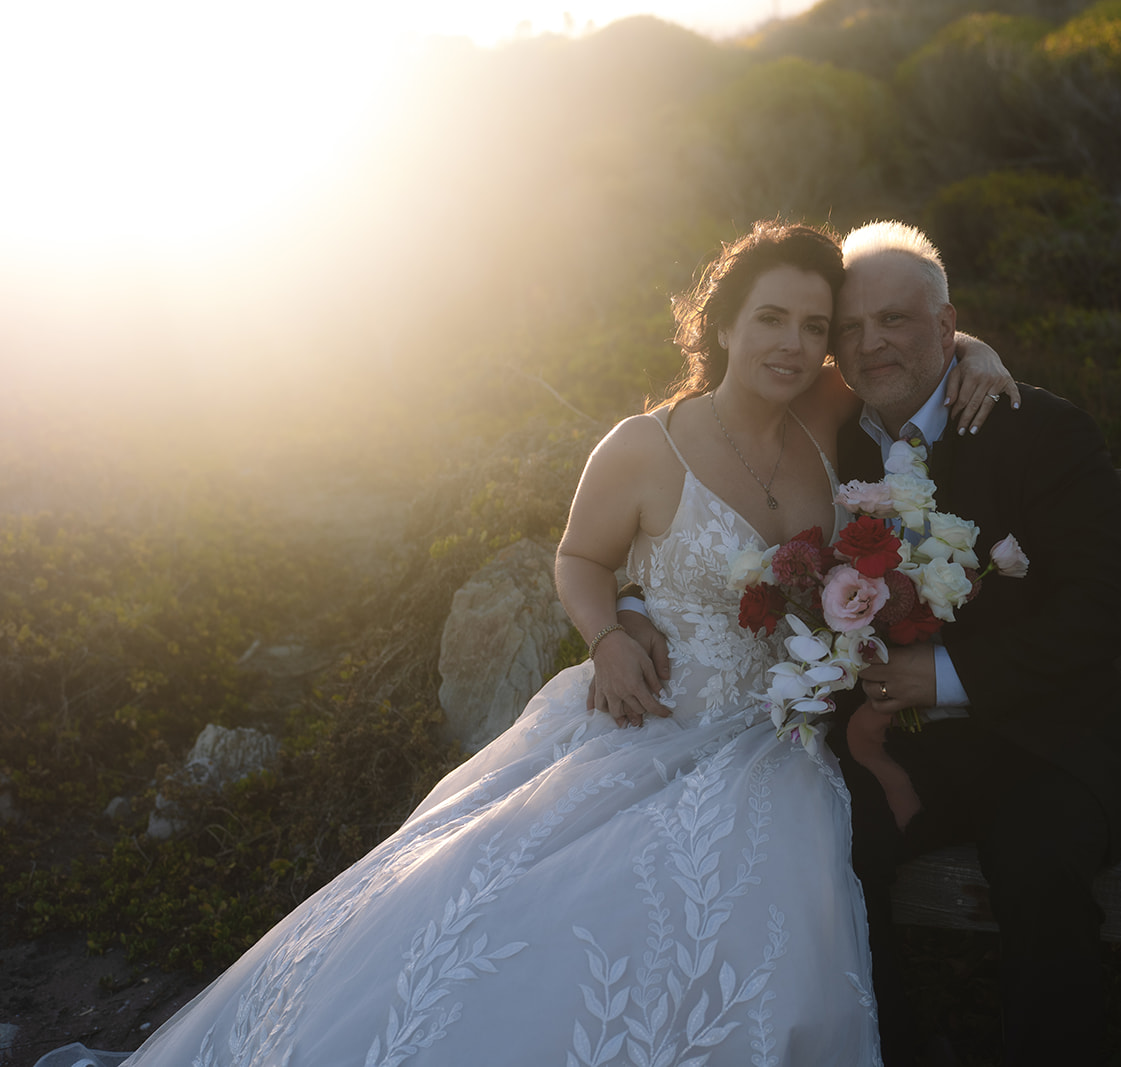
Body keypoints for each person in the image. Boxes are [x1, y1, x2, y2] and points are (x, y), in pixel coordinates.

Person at [32, 219, 1019, 1067]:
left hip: (777, 743)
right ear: (721, 322)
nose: (795, 345)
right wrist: (606, 633)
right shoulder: (645, 445)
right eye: (771, 319)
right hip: (650, 717)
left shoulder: (821, 419)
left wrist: (969, 346)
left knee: (748, 899)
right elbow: (581, 558)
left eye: (813, 327)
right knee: (510, 912)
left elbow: (902, 350)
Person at [828, 221, 1121, 1067]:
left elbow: (1112, 605)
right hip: (908, 758)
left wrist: (946, 674)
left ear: (945, 326)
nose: (872, 343)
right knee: (825, 850)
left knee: (1040, 870)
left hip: (1052, 741)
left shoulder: (1041, 429)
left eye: (895, 320)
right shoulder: (830, 441)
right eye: (851, 328)